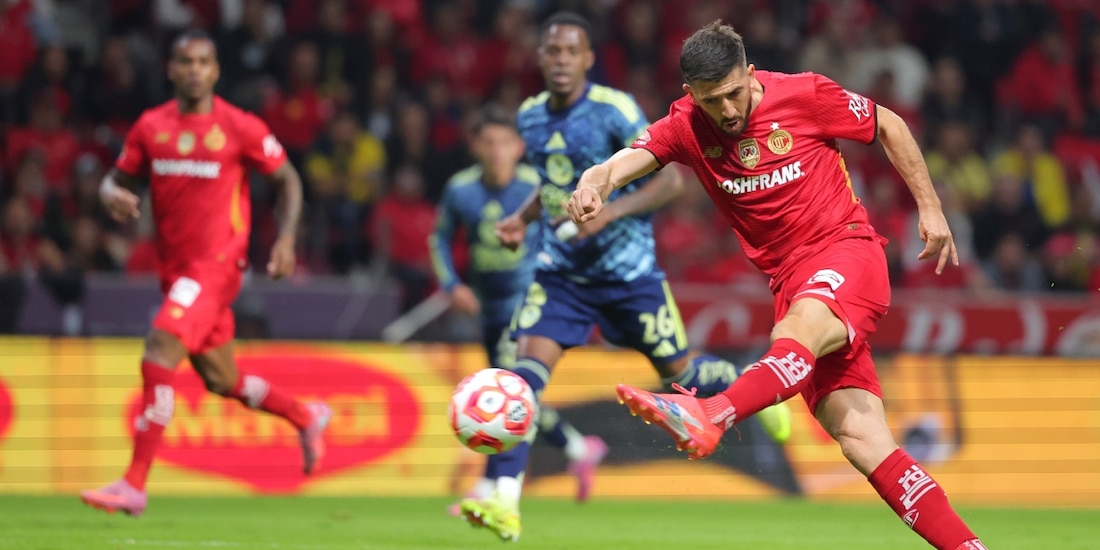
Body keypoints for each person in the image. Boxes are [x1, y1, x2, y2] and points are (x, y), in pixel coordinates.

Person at [567, 21, 987, 550]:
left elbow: (889, 124)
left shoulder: (806, 94)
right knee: (862, 440)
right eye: (711, 100)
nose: (726, 111)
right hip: (788, 280)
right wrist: (592, 183)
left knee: (798, 328)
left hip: (846, 252)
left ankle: (711, 411)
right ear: (689, 95)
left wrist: (930, 208)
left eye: (733, 93)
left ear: (749, 72)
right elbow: (621, 163)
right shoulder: (686, 126)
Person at [457, 12, 791, 542]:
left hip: (629, 277)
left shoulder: (615, 110)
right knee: (520, 381)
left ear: (589, 59)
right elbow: (549, 186)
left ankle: (735, 381)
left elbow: (668, 185)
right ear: (541, 59)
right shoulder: (530, 116)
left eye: (572, 52)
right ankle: (502, 500)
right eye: (553, 52)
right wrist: (522, 221)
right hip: (561, 276)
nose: (562, 61)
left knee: (681, 375)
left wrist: (609, 212)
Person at [80, 30, 332, 518]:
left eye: (203, 61)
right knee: (222, 379)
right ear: (171, 69)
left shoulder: (240, 126)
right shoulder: (150, 127)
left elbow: (287, 178)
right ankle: (306, 415)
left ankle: (134, 484)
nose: (194, 69)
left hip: (216, 265)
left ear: (215, 71)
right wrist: (108, 193)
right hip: (175, 271)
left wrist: (284, 239)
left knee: (158, 350)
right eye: (184, 61)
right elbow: (116, 179)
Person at [429, 105, 608, 515]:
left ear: (519, 146)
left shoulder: (534, 186)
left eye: (505, 142)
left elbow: (570, 230)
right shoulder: (460, 189)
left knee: (507, 391)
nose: (496, 151)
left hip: (528, 300)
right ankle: (579, 448)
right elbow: (438, 238)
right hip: (487, 305)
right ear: (475, 146)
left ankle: (494, 485)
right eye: (488, 142)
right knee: (510, 395)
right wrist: (452, 284)